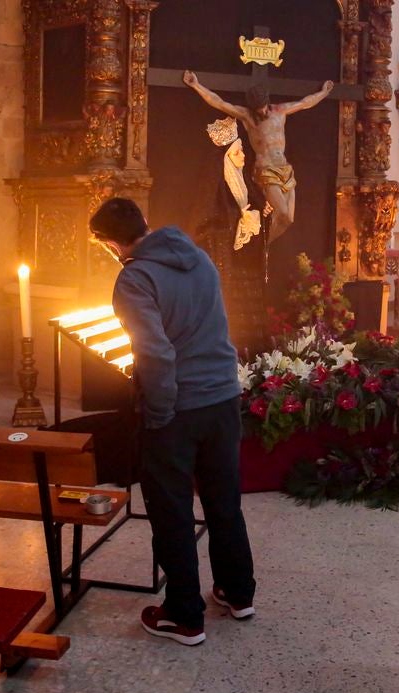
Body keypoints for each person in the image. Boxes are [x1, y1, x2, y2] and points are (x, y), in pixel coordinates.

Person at [88, 197, 256, 646]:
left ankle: (184, 616)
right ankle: (238, 593)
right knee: (224, 500)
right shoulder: (198, 257)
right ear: (146, 223)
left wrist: (159, 413)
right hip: (223, 397)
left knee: (172, 512)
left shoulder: (134, 278)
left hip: (178, 406)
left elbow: (155, 353)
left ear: (108, 242)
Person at [183, 70, 334, 243]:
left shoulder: (280, 111)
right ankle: (263, 249)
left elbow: (304, 103)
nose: (260, 111)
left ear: (267, 102)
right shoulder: (248, 117)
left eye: (262, 106)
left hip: (284, 168)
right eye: (256, 108)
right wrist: (196, 85)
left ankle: (265, 246)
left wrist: (323, 93)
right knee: (282, 213)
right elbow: (219, 103)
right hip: (266, 170)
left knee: (288, 219)